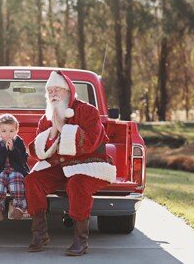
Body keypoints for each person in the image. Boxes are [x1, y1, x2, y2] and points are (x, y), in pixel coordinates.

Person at [24, 71, 116, 256]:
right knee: (32, 180)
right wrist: (51, 133)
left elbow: (90, 142)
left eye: (57, 89)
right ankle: (40, 234)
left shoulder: (88, 111)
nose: (53, 93)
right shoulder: (46, 117)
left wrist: (63, 129)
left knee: (77, 183)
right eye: (50, 90)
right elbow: (36, 151)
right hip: (59, 167)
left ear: (68, 91)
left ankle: (80, 241)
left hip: (89, 165)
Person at [0, 113, 29, 221]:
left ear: (16, 131)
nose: (7, 134)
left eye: (11, 131)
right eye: (4, 131)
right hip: (0, 169)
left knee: (17, 179)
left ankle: (18, 207)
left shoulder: (18, 141)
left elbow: (22, 159)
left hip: (16, 169)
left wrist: (12, 150)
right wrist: (3, 149)